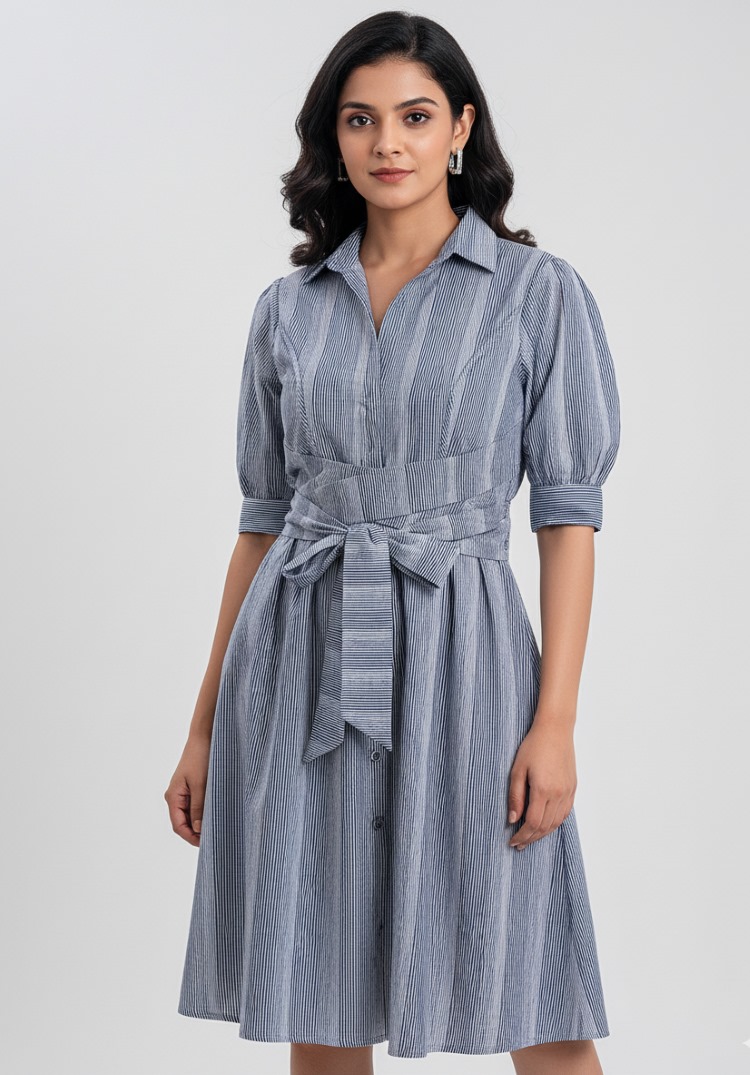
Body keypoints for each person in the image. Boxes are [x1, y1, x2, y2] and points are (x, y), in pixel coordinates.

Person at [164, 11, 621, 1075]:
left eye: (415, 117)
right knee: (319, 987)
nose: (388, 143)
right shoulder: (288, 310)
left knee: (530, 984)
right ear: (333, 138)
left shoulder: (537, 295)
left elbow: (567, 516)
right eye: (360, 119)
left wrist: (555, 722)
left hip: (468, 661)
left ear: (460, 127)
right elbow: (261, 526)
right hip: (300, 661)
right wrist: (202, 727)